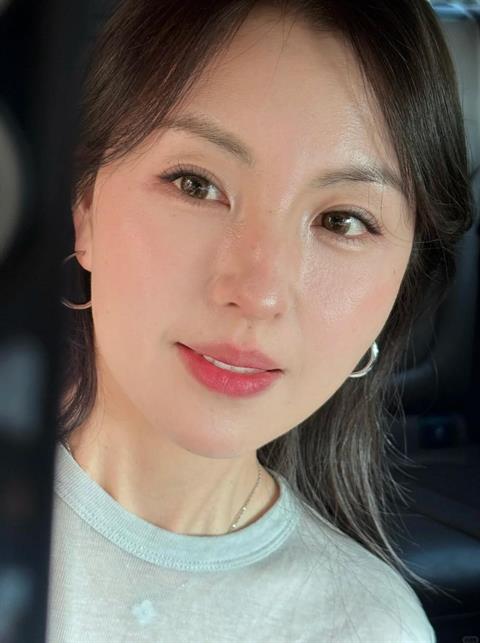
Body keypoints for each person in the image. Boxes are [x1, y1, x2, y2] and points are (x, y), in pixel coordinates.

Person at [46, 0, 472, 641]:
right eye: (195, 185)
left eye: (343, 221)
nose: (259, 292)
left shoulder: (368, 627)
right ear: (85, 209)